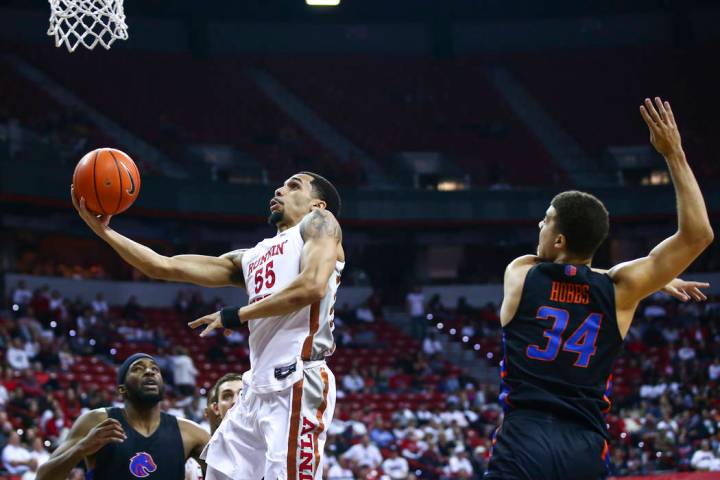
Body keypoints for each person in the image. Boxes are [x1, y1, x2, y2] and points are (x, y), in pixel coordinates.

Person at [484, 98, 714, 480]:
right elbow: (698, 235)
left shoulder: (521, 272)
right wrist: (673, 153)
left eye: (546, 221)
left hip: (525, 438)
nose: (539, 225)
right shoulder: (621, 289)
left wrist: (654, 282)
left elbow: (564, 276)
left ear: (558, 240)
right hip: (584, 443)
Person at [72, 171, 344, 479]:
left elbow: (312, 286)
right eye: (281, 184)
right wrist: (104, 231)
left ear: (317, 205)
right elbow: (163, 265)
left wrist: (236, 314)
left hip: (298, 378)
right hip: (255, 388)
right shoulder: (250, 258)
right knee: (218, 473)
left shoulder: (320, 224)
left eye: (294, 186)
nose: (280, 189)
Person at [37, 353, 210, 480]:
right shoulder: (98, 421)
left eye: (155, 369)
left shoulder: (190, 432)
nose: (150, 372)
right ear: (122, 389)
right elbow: (43, 477)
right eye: (138, 369)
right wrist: (81, 449)